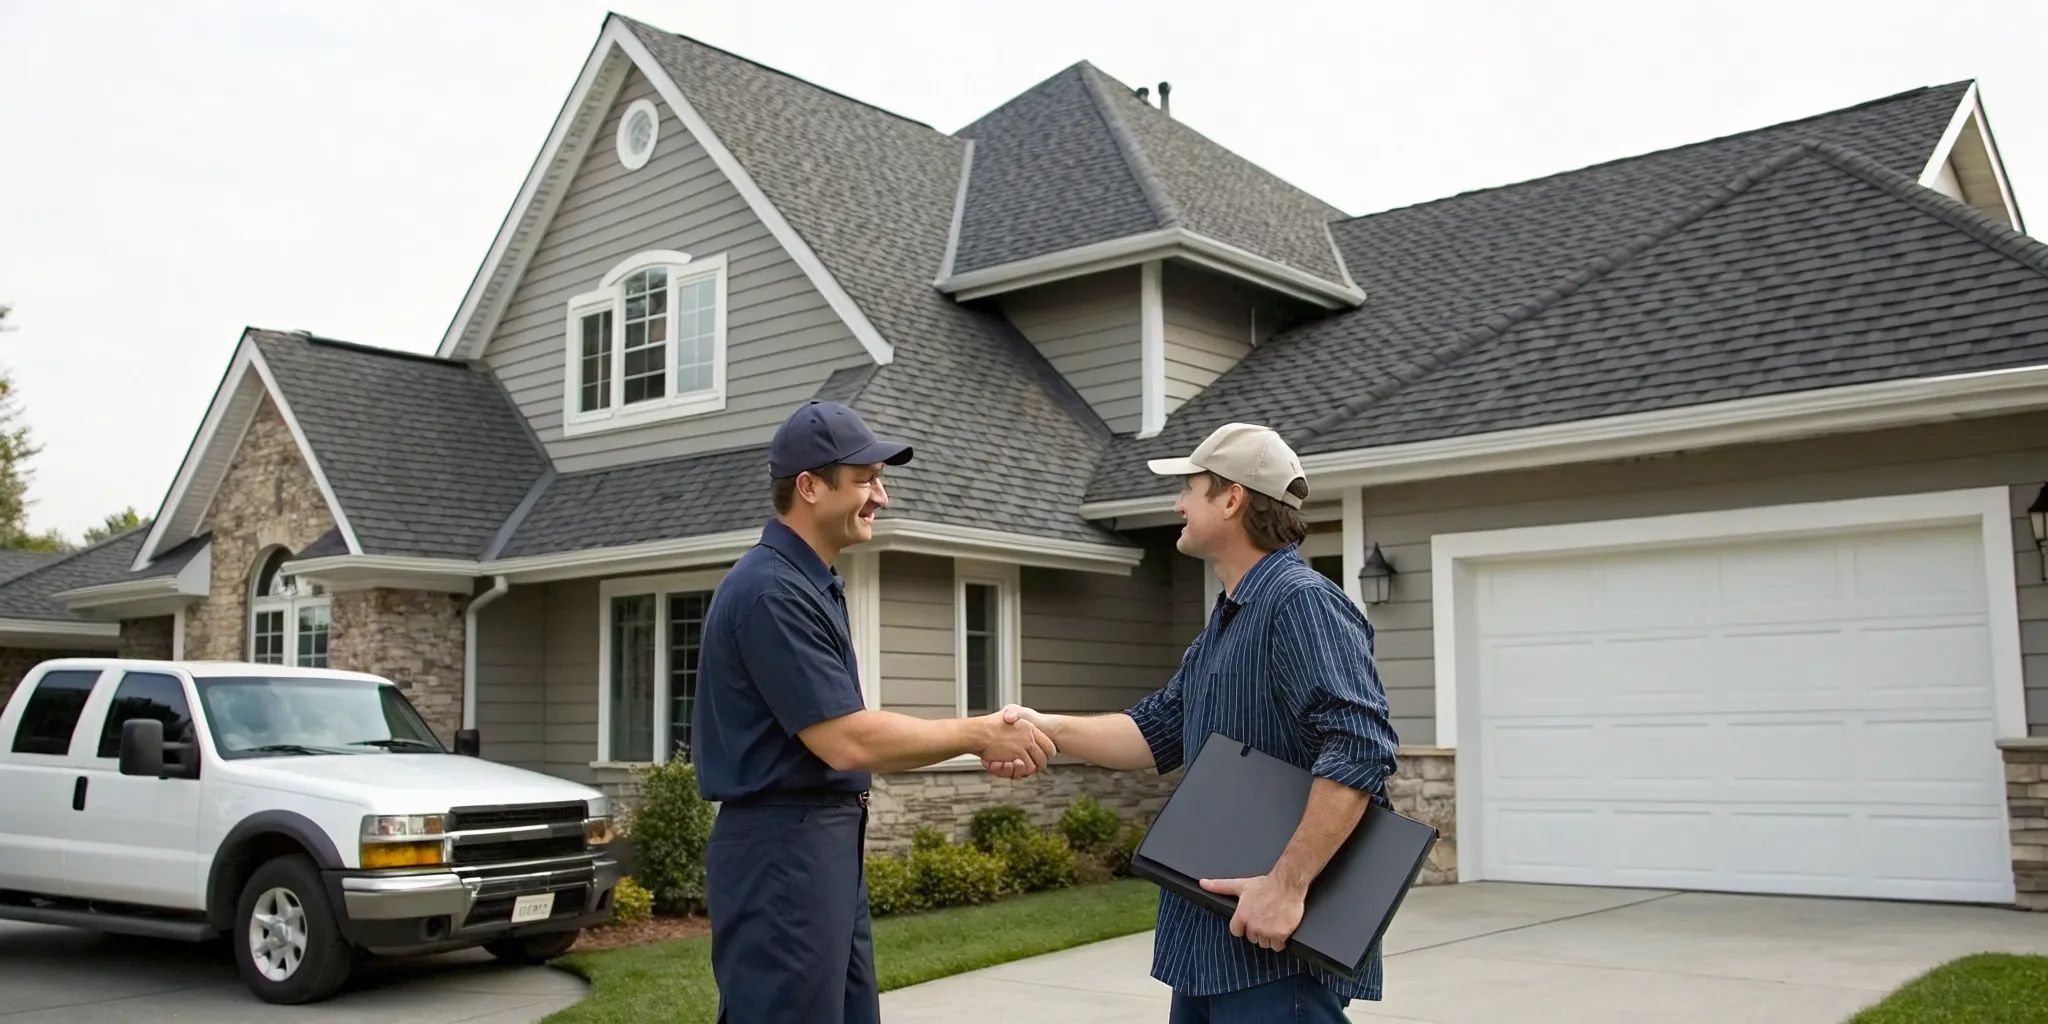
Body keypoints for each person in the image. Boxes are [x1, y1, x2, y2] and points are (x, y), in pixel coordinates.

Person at [993, 422, 1400, 1023]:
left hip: (1273, 949)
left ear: (1232, 498)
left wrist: (1285, 887)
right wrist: (1041, 726)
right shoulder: (1230, 618)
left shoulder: (1301, 602)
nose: (1177, 504)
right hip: (1212, 941)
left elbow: (1360, 749)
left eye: (1189, 488)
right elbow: (1156, 730)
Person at [692, 399, 1059, 1024]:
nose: (881, 497)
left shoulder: (807, 583)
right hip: (782, 856)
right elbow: (848, 741)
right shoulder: (771, 591)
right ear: (809, 487)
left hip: (820, 848)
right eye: (865, 480)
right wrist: (979, 734)